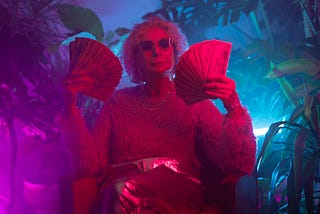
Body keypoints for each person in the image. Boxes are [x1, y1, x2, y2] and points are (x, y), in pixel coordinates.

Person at [60, 15, 256, 214]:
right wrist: (70, 109)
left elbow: (236, 161)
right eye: (147, 46)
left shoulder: (193, 102)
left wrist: (233, 105)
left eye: (164, 44)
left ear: (175, 51)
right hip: (122, 188)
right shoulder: (117, 102)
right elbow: (91, 165)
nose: (156, 52)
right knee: (123, 192)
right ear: (134, 56)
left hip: (176, 188)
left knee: (123, 191)